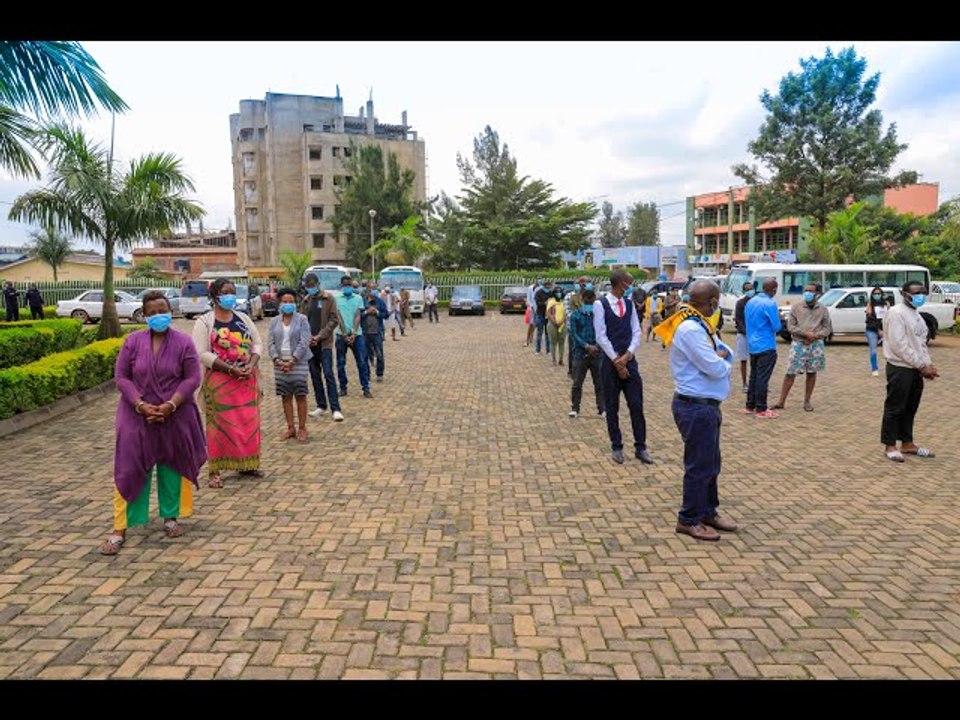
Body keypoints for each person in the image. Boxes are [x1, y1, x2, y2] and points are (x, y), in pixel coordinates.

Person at [101, 290, 207, 554]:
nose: (158, 315)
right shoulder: (132, 342)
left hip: (175, 413)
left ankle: (171, 517)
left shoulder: (183, 342)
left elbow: (192, 378)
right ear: (144, 315)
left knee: (172, 467)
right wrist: (140, 404)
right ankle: (120, 527)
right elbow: (122, 377)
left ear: (170, 311)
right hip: (136, 415)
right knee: (129, 467)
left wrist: (171, 404)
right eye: (152, 312)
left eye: (163, 310)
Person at [666, 280, 738, 542]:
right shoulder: (690, 329)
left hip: (706, 406)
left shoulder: (701, 323)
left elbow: (724, 350)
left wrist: (721, 356)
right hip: (695, 406)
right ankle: (688, 519)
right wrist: (722, 359)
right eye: (716, 300)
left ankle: (708, 511)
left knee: (711, 464)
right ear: (712, 302)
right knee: (698, 466)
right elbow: (715, 366)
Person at [191, 279, 263, 488]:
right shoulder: (204, 322)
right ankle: (215, 470)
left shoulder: (243, 318)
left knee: (247, 424)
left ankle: (247, 464)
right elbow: (202, 352)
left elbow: (257, 343)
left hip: (246, 380)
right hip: (220, 383)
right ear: (214, 297)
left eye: (232, 292)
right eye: (225, 292)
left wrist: (251, 363)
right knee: (219, 427)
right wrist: (230, 368)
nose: (230, 296)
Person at [593, 270, 653, 465]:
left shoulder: (629, 304)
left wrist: (627, 356)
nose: (631, 286)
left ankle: (640, 446)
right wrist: (616, 360)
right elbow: (601, 336)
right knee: (612, 406)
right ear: (619, 283)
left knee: (636, 404)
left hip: (629, 360)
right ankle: (616, 446)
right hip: (609, 363)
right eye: (628, 282)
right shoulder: (600, 304)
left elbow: (636, 331)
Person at [881, 281, 940, 463]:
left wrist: (927, 365)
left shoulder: (916, 315)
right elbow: (899, 345)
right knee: (895, 407)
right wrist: (921, 366)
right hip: (900, 367)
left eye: (923, 292)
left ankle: (907, 443)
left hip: (915, 369)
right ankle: (890, 445)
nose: (920, 296)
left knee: (910, 407)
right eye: (916, 292)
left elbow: (921, 343)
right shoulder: (896, 313)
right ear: (905, 294)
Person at [772, 284, 832, 412]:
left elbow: (827, 328)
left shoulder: (822, 309)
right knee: (790, 372)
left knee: (811, 373)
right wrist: (805, 334)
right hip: (798, 343)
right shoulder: (796, 307)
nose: (808, 293)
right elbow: (791, 327)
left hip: (815, 345)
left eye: (811, 291)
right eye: (806, 291)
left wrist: (815, 335)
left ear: (817, 293)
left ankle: (807, 401)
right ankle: (781, 401)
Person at [269, 288, 313, 443]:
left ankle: (302, 428)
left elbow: (304, 340)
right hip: (280, 364)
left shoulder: (302, 319)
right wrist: (277, 360)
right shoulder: (274, 321)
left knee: (300, 395)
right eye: (285, 302)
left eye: (291, 302)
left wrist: (293, 360)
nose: (288, 304)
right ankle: (290, 427)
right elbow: (271, 343)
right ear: (280, 303)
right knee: (285, 396)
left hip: (298, 363)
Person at [301, 272, 344, 422]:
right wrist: (308, 338)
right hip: (310, 344)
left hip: (324, 343)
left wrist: (320, 336)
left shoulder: (328, 298)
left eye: (312, 285)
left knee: (328, 374)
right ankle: (321, 405)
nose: (310, 288)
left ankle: (336, 408)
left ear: (318, 284)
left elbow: (334, 320)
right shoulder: (306, 300)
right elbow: (302, 321)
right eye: (308, 286)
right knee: (315, 375)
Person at [744, 277, 782, 418]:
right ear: (773, 290)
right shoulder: (770, 304)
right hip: (766, 345)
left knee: (753, 376)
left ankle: (749, 405)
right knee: (762, 378)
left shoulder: (750, 302)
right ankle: (761, 408)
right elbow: (776, 326)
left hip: (752, 345)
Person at [568, 288, 604, 419]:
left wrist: (596, 346)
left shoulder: (599, 315)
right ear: (583, 300)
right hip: (580, 353)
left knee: (599, 382)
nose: (589, 302)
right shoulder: (576, 315)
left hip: (597, 353)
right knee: (577, 382)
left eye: (591, 299)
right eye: (587, 299)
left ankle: (602, 408)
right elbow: (574, 334)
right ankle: (575, 408)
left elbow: (603, 332)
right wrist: (586, 345)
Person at [335, 275, 372, 398]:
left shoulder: (358, 298)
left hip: (358, 335)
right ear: (341, 286)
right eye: (345, 285)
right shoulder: (336, 299)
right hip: (341, 335)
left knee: (362, 362)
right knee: (340, 363)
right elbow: (338, 317)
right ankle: (343, 388)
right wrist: (344, 333)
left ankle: (366, 388)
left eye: (349, 285)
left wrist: (354, 333)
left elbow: (357, 316)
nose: (347, 287)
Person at [363, 284, 389, 382]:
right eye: (371, 289)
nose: (373, 291)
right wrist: (366, 312)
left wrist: (377, 312)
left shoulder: (380, 302)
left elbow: (386, 314)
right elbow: (357, 316)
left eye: (375, 289)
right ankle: (366, 374)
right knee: (365, 355)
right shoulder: (362, 301)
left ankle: (379, 374)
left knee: (379, 354)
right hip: (365, 332)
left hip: (377, 332)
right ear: (368, 290)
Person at [734, 282, 755, 393]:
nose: (750, 290)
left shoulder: (757, 302)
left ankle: (755, 382)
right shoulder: (740, 303)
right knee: (743, 360)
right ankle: (744, 384)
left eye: (751, 288)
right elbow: (738, 320)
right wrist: (746, 332)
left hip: (756, 335)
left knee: (756, 359)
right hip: (743, 334)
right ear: (744, 291)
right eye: (747, 289)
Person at [564, 277, 588, 376]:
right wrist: (580, 317)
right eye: (579, 283)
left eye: (584, 283)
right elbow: (568, 312)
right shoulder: (569, 296)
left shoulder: (588, 296)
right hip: (573, 328)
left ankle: (581, 370)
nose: (582, 285)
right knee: (573, 349)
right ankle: (572, 371)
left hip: (587, 328)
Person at [865, 286, 889, 377]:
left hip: (885, 330)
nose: (877, 295)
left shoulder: (886, 304)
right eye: (875, 294)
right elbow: (869, 319)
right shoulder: (870, 304)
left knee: (889, 350)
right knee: (873, 350)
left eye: (879, 293)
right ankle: (874, 368)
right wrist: (878, 330)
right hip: (872, 330)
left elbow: (889, 317)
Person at [546, 286, 567, 366]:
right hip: (552, 324)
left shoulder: (564, 302)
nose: (559, 294)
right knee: (553, 342)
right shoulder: (551, 302)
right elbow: (548, 313)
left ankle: (561, 359)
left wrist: (561, 321)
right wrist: (554, 321)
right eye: (557, 292)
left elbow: (566, 313)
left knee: (562, 342)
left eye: (560, 292)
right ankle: (554, 359)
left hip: (562, 325)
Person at [534, 280, 553, 354]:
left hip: (548, 315)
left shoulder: (551, 293)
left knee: (548, 333)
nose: (548, 288)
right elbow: (538, 303)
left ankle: (548, 350)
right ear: (544, 286)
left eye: (549, 286)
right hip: (540, 314)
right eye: (546, 286)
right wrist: (545, 303)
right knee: (539, 332)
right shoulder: (538, 293)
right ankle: (538, 350)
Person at [524, 278, 540, 347]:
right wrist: (531, 306)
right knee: (531, 324)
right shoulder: (531, 288)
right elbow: (528, 298)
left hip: (540, 309)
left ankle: (532, 335)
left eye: (541, 279)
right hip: (533, 309)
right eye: (538, 279)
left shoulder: (542, 288)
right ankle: (527, 340)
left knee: (537, 324)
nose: (540, 280)